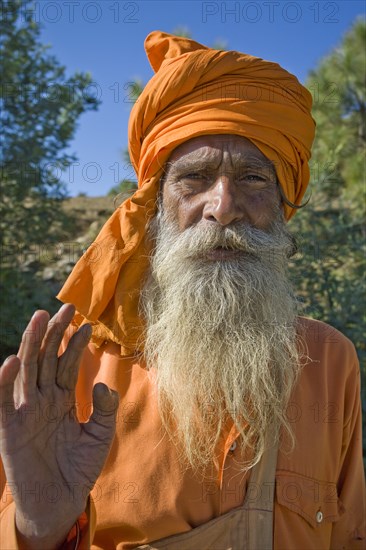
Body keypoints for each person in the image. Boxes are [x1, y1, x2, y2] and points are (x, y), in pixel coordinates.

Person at [0, 31, 365, 550]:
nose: (223, 206)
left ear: (285, 207)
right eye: (194, 178)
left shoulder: (331, 361)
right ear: (156, 206)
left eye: (254, 179)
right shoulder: (72, 369)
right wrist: (40, 529)